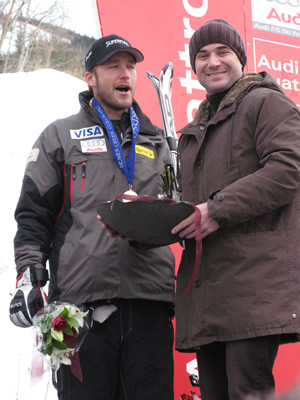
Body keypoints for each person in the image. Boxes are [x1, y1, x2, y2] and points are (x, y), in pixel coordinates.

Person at [9, 34, 175, 400]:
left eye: (130, 66)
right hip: (80, 309)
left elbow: (181, 211)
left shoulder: (160, 141)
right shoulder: (60, 135)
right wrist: (29, 272)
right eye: (113, 65)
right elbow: (33, 213)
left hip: (150, 302)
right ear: (90, 77)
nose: (125, 73)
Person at [171, 19, 300, 400]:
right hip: (208, 295)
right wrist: (141, 226)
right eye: (203, 55)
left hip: (252, 289)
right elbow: (191, 211)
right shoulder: (194, 132)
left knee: (249, 393)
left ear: (241, 58)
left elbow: (288, 169)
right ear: (193, 67)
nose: (213, 62)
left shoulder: (266, 103)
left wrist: (216, 210)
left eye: (222, 52)